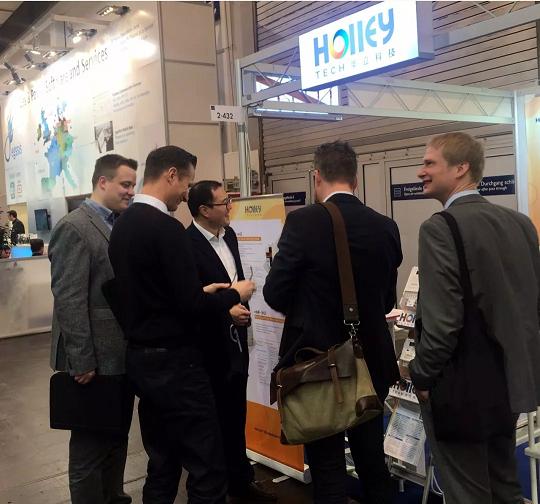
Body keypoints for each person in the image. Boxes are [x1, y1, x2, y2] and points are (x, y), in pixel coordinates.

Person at [108, 146, 256, 504]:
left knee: (163, 462)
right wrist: (233, 294)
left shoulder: (122, 224)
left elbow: (148, 292)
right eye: (187, 184)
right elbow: (191, 307)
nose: (186, 195)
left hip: (143, 361)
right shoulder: (167, 228)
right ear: (171, 175)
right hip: (178, 365)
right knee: (207, 467)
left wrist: (200, 292)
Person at [263, 140, 402, 504]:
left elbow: (275, 293)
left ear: (317, 176)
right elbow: (387, 300)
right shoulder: (385, 226)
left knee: (327, 468)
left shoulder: (303, 222)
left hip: (319, 366)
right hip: (370, 363)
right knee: (372, 461)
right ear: (355, 179)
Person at [409, 132, 540, 504]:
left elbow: (442, 322)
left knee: (467, 491)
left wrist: (422, 375)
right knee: (504, 484)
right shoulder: (520, 223)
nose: (420, 171)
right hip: (509, 381)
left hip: (460, 386)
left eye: (430, 163)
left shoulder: (440, 228)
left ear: (461, 168)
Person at [48, 154, 138, 504]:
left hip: (119, 357)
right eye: (125, 184)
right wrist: (82, 359)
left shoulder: (118, 224)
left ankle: (114, 496)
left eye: (133, 185)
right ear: (103, 182)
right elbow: (69, 299)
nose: (131, 191)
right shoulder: (74, 227)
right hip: (92, 361)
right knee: (89, 448)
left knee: (116, 437)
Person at [186, 181, 276, 503]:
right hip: (208, 349)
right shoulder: (187, 245)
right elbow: (191, 302)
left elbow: (234, 284)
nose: (230, 207)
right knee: (214, 422)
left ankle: (241, 482)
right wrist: (226, 310)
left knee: (236, 414)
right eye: (224, 202)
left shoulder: (231, 236)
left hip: (238, 343)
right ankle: (216, 487)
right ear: (204, 210)